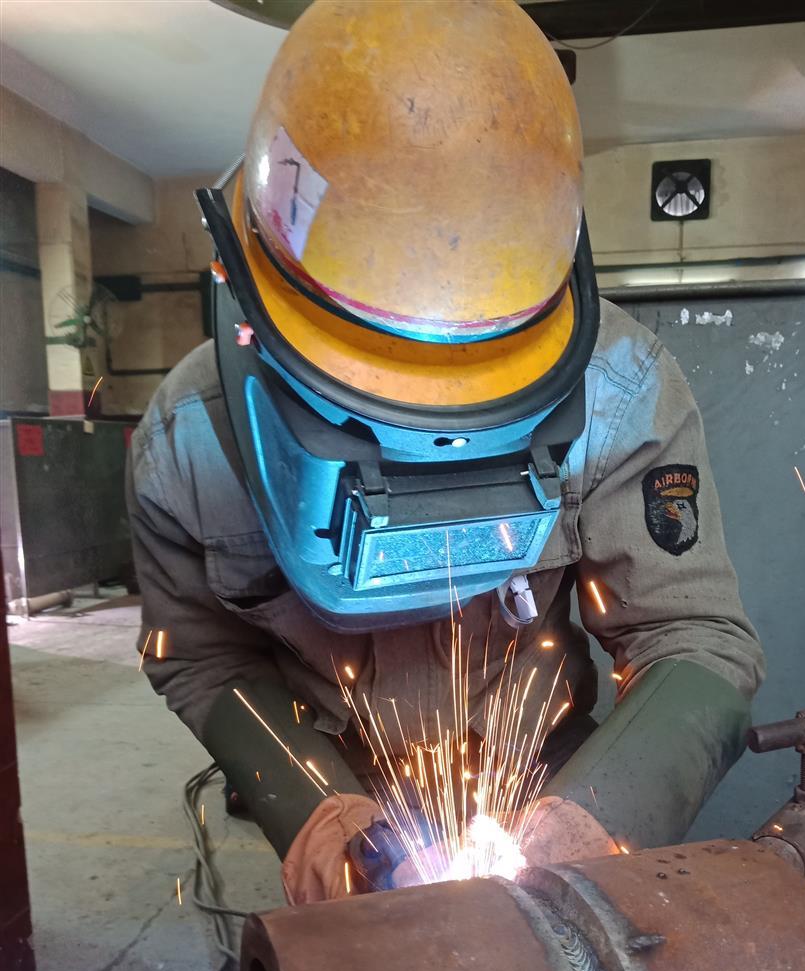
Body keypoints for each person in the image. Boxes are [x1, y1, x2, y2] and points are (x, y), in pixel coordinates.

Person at [127, 0, 764, 903]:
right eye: (369, 393)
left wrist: (595, 814)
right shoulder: (188, 442)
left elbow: (694, 636)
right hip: (340, 785)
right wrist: (313, 808)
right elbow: (199, 656)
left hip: (552, 781)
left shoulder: (621, 390)